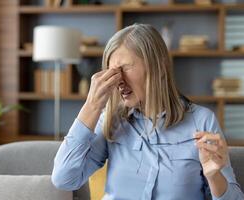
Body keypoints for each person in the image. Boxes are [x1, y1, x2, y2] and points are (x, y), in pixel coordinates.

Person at [51, 24, 244, 200]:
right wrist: (91, 106)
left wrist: (214, 176)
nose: (118, 81)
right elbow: (64, 179)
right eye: (111, 72)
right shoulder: (111, 121)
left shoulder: (201, 121)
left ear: (158, 67)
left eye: (125, 68)